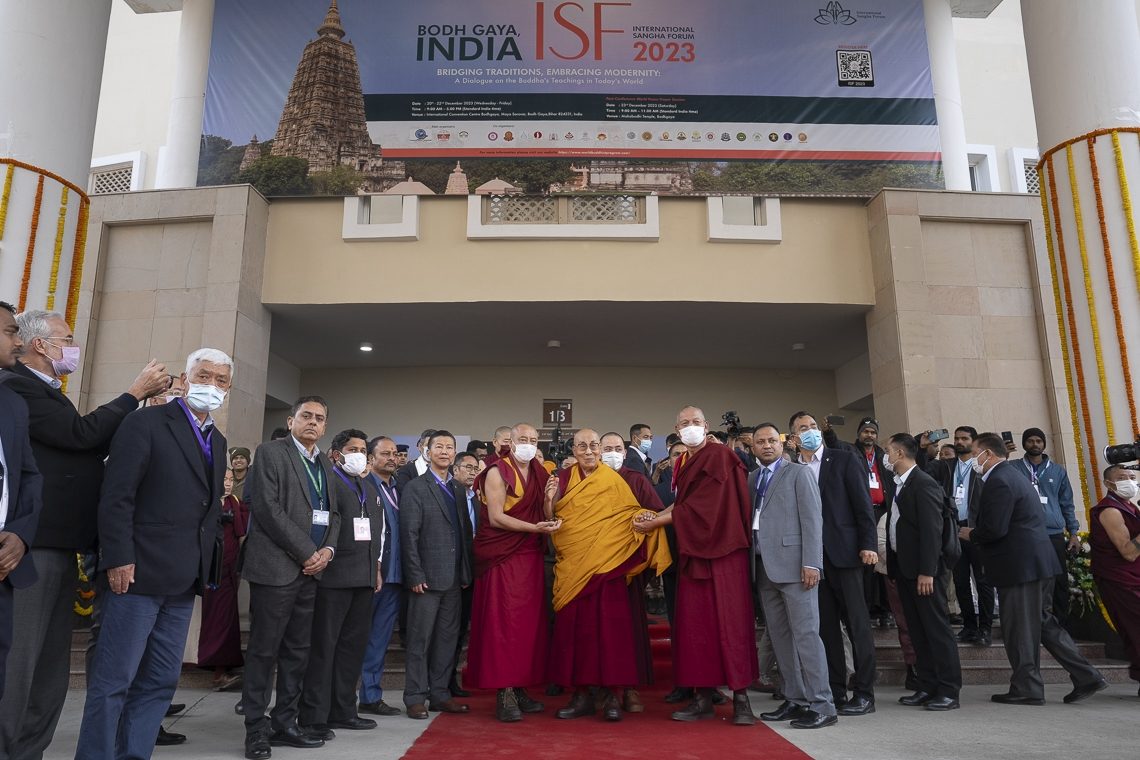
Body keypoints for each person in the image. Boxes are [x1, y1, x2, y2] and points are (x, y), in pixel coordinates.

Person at [0, 308, 170, 758]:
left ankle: (30, 749)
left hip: (62, 545)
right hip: (32, 545)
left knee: (51, 666)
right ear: (42, 345)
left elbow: (88, 445)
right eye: (66, 338)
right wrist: (134, 393)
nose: (72, 347)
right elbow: (80, 435)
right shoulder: (16, 388)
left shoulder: (48, 393)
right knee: (22, 664)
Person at [75, 348, 231, 759]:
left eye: (220, 379)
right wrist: (117, 557)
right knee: (114, 682)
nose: (211, 385)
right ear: (184, 377)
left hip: (182, 580)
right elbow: (116, 496)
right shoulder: (144, 422)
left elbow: (209, 510)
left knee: (160, 681)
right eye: (204, 375)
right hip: (136, 572)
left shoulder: (219, 439)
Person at [633, 407, 758, 726]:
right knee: (695, 627)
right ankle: (701, 697)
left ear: (706, 426)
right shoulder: (684, 463)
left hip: (725, 551)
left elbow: (705, 504)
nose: (691, 428)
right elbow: (688, 502)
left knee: (731, 624)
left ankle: (741, 700)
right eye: (685, 424)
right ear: (676, 428)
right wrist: (657, 517)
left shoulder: (719, 456)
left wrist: (657, 522)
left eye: (696, 423)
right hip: (694, 553)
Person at [963, 433, 1106, 706]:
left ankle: (1027, 687)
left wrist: (970, 534)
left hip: (1019, 567)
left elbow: (994, 529)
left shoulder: (1000, 480)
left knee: (1019, 627)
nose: (973, 460)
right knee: (1042, 623)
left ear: (988, 454)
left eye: (975, 453)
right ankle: (1087, 675)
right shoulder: (1014, 475)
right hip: (1035, 563)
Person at [239, 396, 341, 759]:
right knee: (264, 652)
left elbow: (334, 514)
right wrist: (306, 552)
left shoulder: (325, 463)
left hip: (312, 573)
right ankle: (256, 728)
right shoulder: (271, 452)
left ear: (326, 426)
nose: (313, 422)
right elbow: (268, 509)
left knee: (298, 651)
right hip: (277, 568)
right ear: (292, 419)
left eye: (319, 418)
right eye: (306, 416)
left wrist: (326, 551)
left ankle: (285, 722)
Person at [546, 429, 671, 722]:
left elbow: (629, 513)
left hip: (609, 567)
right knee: (576, 633)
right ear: (573, 450)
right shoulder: (562, 479)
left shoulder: (613, 481)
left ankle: (613, 695)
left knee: (611, 634)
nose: (588, 451)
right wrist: (548, 498)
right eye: (582, 446)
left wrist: (640, 518)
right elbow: (553, 518)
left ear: (599, 451)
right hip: (574, 567)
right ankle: (581, 696)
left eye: (593, 445)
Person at [747, 423, 836, 729]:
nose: (767, 445)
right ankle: (795, 700)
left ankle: (823, 704)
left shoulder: (798, 473)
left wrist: (813, 563)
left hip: (797, 568)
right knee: (780, 638)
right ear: (753, 447)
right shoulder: (752, 478)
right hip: (763, 568)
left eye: (772, 440)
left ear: (783, 444)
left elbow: (813, 520)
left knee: (807, 636)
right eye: (761, 442)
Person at [788, 411, 878, 715]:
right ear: (794, 438)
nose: (810, 431)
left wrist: (868, 544)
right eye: (803, 428)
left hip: (847, 554)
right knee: (825, 628)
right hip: (813, 562)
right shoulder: (792, 469)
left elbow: (863, 504)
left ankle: (865, 692)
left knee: (857, 625)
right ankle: (836, 690)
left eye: (813, 426)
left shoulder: (843, 459)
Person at [466, 423, 556, 722]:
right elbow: (496, 516)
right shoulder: (496, 471)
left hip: (529, 556)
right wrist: (535, 528)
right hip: (502, 556)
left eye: (533, 440)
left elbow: (545, 511)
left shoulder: (540, 472)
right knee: (502, 622)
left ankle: (519, 687)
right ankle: (502, 691)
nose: (529, 444)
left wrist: (548, 503)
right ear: (510, 443)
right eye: (523, 440)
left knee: (527, 624)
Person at [299, 429, 385, 735]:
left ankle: (344, 710)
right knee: (324, 649)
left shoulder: (368, 486)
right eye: (353, 448)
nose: (359, 453)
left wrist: (375, 568)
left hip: (363, 579)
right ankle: (314, 716)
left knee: (352, 649)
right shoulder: (329, 483)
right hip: (332, 578)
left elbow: (378, 532)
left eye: (363, 448)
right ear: (336, 453)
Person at [884, 434, 961, 711]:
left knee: (936, 630)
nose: (886, 456)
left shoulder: (923, 483)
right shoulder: (900, 484)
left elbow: (932, 531)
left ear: (900, 453)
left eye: (888, 451)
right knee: (917, 631)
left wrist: (927, 571)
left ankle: (949, 689)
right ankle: (927, 685)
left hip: (924, 573)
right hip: (905, 570)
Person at [400, 430, 474, 719]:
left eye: (449, 447)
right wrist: (415, 574)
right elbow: (409, 534)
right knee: (420, 640)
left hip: (455, 580)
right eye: (438, 446)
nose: (444, 451)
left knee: (446, 639)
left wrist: (466, 572)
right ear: (427, 451)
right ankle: (415, 696)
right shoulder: (416, 487)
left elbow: (465, 535)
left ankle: (440, 694)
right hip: (426, 578)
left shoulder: (458, 488)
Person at [600, 430, 663, 712]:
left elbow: (656, 514)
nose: (612, 452)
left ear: (625, 453)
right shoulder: (587, 480)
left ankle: (629, 688)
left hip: (627, 567)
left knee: (629, 630)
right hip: (594, 567)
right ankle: (600, 687)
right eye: (606, 448)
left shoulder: (636, 479)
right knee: (599, 630)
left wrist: (646, 518)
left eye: (617, 448)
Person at [0, 301, 42, 705]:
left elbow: (28, 476)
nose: (18, 342)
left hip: (5, 566)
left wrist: (20, 535)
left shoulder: (12, 402)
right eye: (11, 332)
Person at [930, 426, 994, 646]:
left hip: (976, 530)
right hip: (954, 529)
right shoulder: (946, 466)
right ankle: (969, 626)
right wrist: (924, 448)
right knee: (960, 580)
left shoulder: (981, 468)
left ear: (973, 441)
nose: (959, 442)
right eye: (956, 438)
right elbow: (922, 469)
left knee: (983, 580)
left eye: (964, 438)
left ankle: (985, 627)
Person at [1012, 428, 1080, 624]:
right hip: (1025, 533)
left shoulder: (1058, 471)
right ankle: (1032, 622)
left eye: (1039, 441)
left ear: (1044, 444)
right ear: (1024, 444)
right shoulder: (1015, 468)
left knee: (1058, 579)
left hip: (1053, 533)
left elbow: (1067, 503)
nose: (1035, 444)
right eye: (1031, 441)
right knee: (1028, 577)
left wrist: (1073, 532)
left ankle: (1061, 623)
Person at [359, 436, 404, 717]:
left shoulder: (401, 488)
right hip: (369, 575)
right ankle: (338, 697)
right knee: (358, 638)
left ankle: (370, 696)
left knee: (379, 639)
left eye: (394, 453)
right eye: (384, 453)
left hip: (395, 576)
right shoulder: (363, 487)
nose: (391, 457)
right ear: (371, 458)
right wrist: (373, 565)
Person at [1089, 465, 1140, 696]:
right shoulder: (1110, 511)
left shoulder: (1130, 507)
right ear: (1109, 484)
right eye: (1122, 478)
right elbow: (1128, 552)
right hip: (1120, 580)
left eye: (1132, 477)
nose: (1129, 482)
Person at [198, 468, 249, 690]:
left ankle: (226, 666)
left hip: (229, 568)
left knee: (228, 618)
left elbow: (241, 533)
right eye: (223, 479)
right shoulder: (206, 501)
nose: (227, 483)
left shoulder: (235, 502)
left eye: (230, 480)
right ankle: (216, 670)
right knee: (216, 618)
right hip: (210, 570)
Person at [850, 417, 894, 629]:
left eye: (873, 432)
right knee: (866, 564)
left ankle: (885, 610)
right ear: (859, 433)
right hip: (860, 516)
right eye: (866, 431)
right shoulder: (850, 453)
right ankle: (866, 608)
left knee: (884, 563)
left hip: (883, 513)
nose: (869, 435)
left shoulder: (883, 455)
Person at [447, 451, 480, 697]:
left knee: (461, 632)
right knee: (450, 631)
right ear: (455, 469)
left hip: (474, 571)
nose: (472, 472)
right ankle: (443, 681)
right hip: (451, 573)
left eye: (475, 468)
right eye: (467, 467)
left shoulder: (478, 499)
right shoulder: (449, 495)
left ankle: (452, 680)